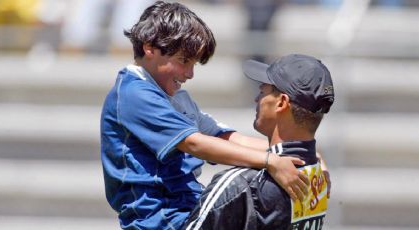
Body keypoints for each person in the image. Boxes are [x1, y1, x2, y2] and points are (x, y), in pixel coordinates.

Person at [100, 1, 313, 229]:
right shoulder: (134, 93)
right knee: (244, 183)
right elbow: (194, 143)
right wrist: (270, 161)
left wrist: (303, 154)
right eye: (183, 61)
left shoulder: (175, 97)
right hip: (160, 221)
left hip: (187, 210)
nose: (190, 73)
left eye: (194, 64)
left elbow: (224, 137)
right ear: (150, 47)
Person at [185, 54, 334, 229]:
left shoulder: (241, 184)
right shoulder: (320, 177)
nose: (257, 99)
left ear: (281, 103)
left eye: (262, 91)